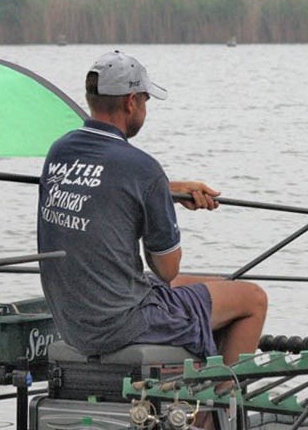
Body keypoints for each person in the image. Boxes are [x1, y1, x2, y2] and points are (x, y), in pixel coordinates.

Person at [37, 49, 267, 373]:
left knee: (213, 284)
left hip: (73, 321)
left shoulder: (59, 152)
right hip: (124, 323)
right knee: (252, 299)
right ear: (131, 101)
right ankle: (220, 415)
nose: (145, 110)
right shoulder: (142, 169)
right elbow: (166, 269)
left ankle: (194, 399)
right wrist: (158, 195)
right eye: (145, 101)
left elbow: (104, 188)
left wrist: (167, 191)